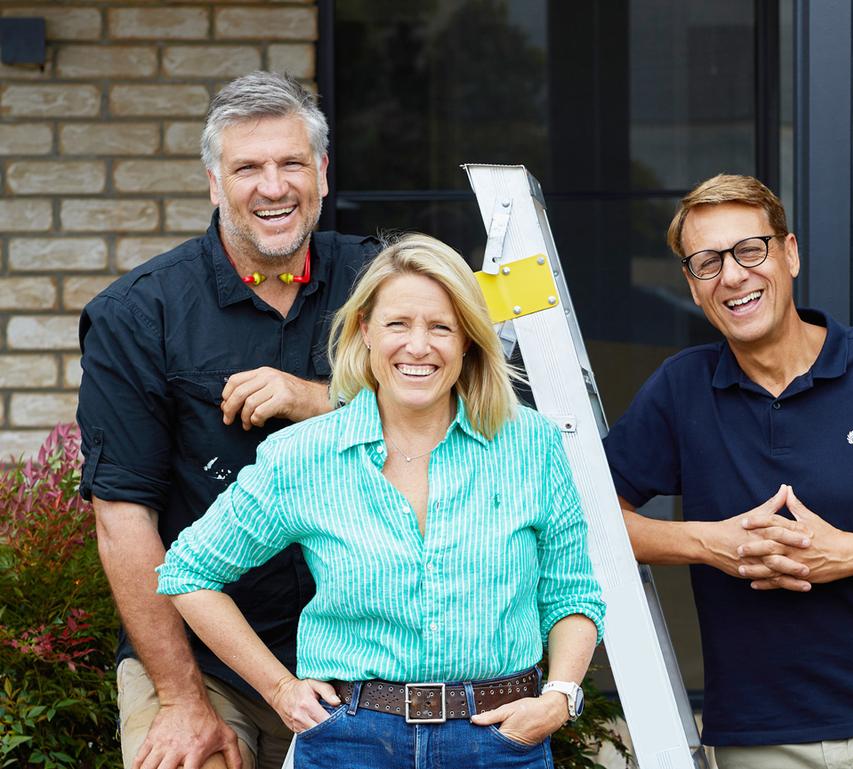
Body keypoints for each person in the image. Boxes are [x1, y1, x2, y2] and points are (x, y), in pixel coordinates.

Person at [603, 174, 853, 769]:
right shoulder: (680, 388)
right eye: (707, 262)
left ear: (789, 253)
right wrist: (710, 543)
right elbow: (589, 521)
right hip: (762, 735)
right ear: (693, 288)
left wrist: (848, 554)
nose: (734, 275)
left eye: (751, 250)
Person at [154, 233, 606, 769]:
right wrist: (278, 689)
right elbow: (187, 572)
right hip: (351, 741)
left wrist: (558, 698)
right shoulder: (305, 455)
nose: (418, 346)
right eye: (398, 324)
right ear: (365, 329)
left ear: (467, 338)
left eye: (441, 326)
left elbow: (572, 595)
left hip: (500, 741)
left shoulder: (530, 443)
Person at [76, 71, 379, 769]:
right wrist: (182, 697)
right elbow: (124, 521)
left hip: (376, 651)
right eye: (248, 167)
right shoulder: (138, 315)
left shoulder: (381, 282)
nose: (274, 186)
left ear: (322, 173)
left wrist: (317, 398)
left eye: (292, 163)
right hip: (207, 658)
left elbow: (471, 408)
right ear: (215, 182)